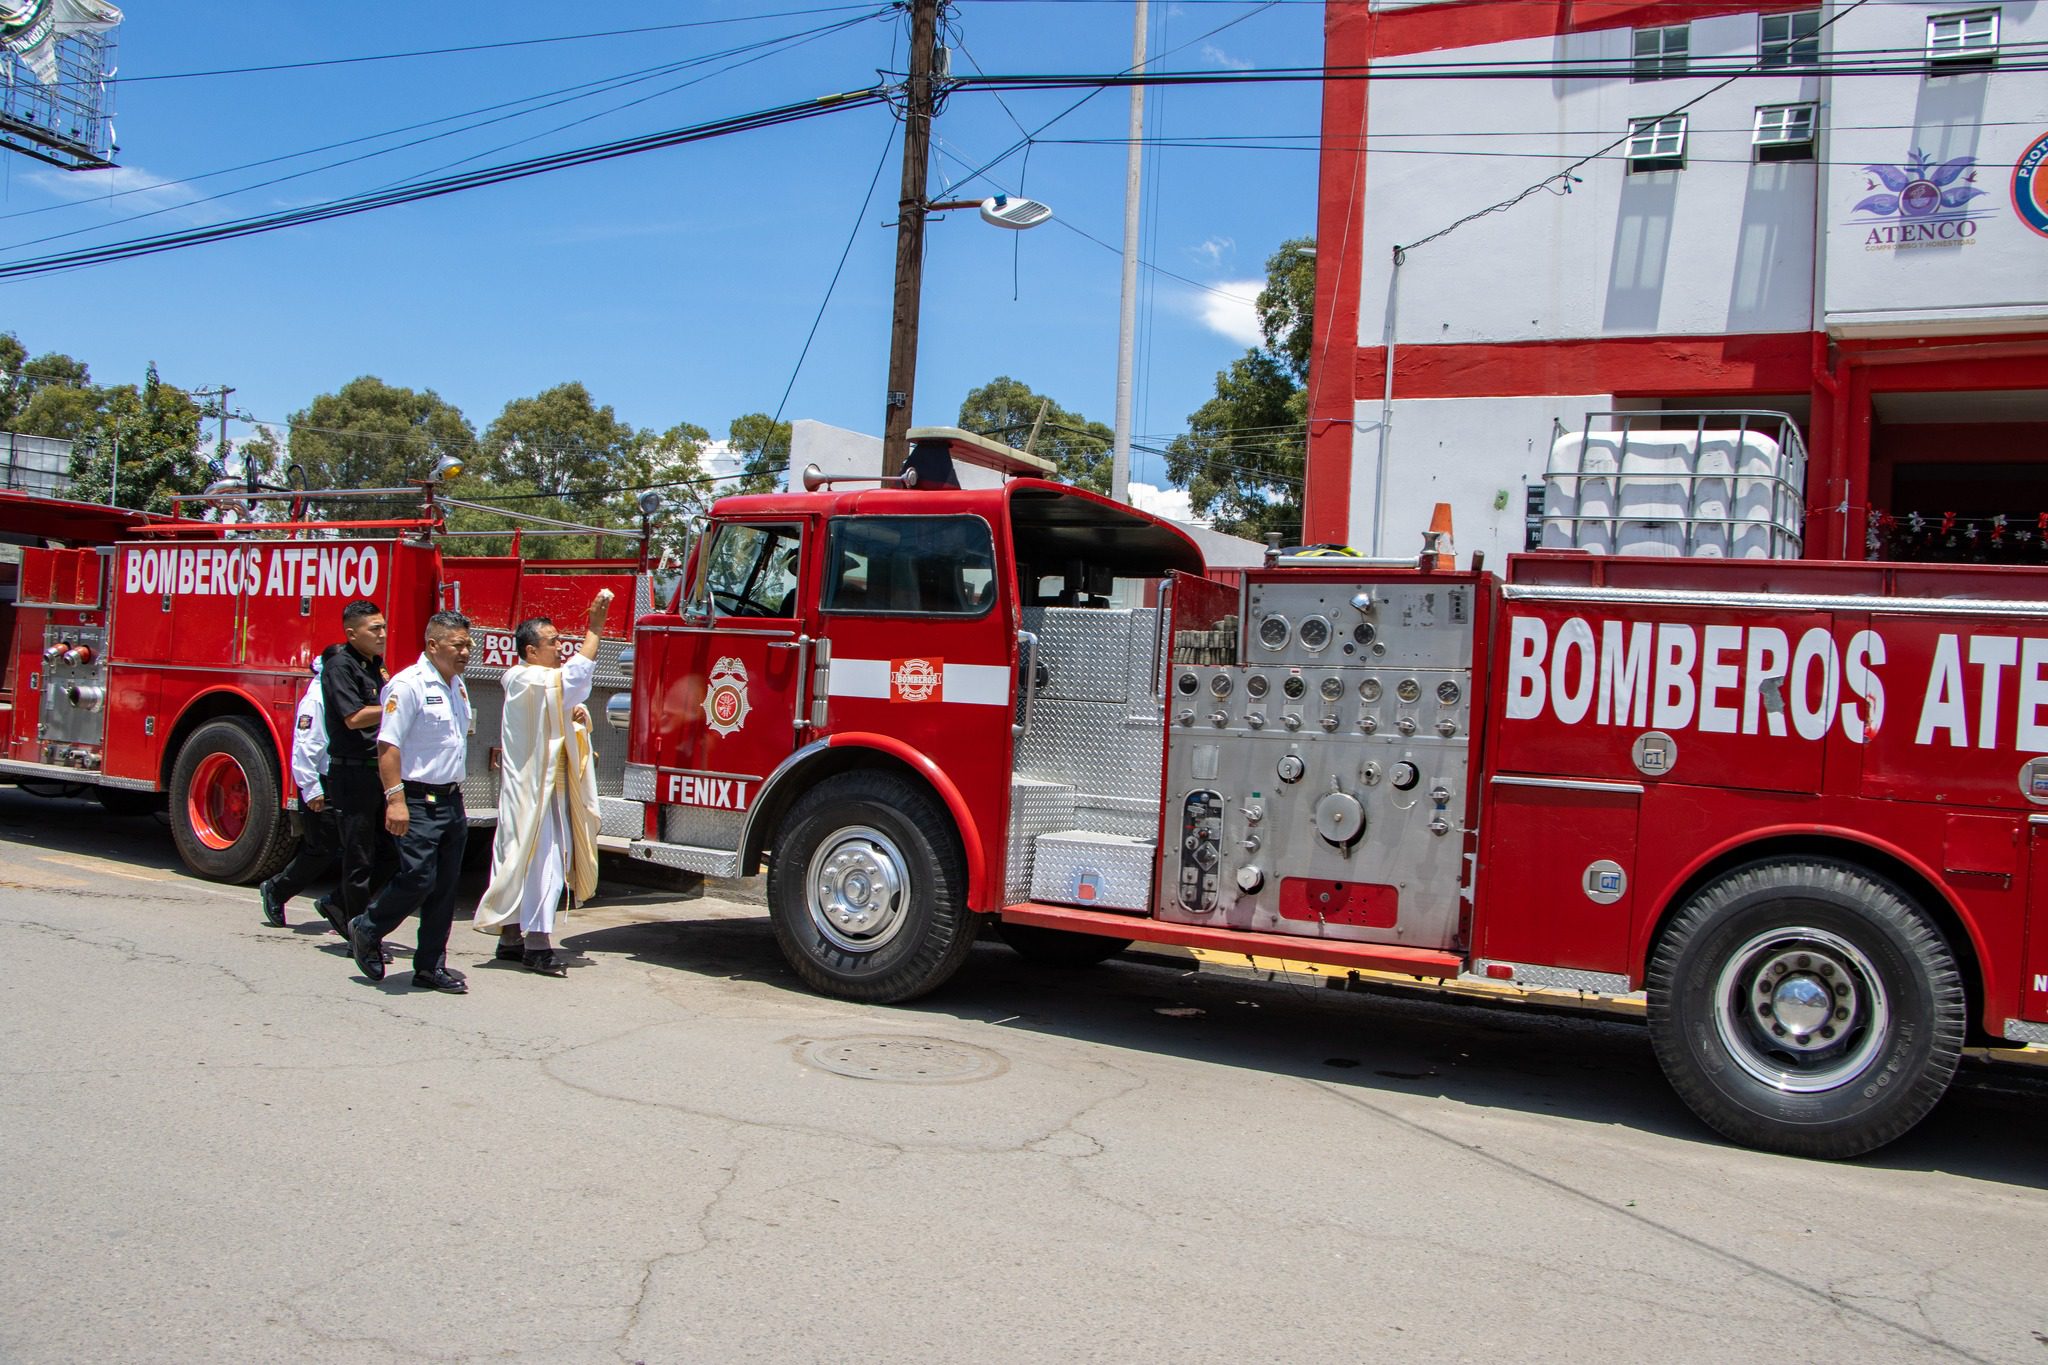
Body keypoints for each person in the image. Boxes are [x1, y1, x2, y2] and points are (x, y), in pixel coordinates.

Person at [472, 590, 610, 977]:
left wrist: (576, 721)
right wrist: (594, 630)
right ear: (531, 651)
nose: (560, 648)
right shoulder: (524, 679)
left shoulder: (541, 682)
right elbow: (573, 679)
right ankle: (537, 945)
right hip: (531, 793)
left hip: (546, 790)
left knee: (529, 860)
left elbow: (565, 703)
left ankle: (511, 939)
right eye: (552, 642)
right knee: (540, 864)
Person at [347, 610, 474, 993]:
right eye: (458, 645)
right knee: (419, 878)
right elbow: (388, 746)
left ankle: (430, 966)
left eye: (468, 644)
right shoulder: (408, 685)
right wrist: (395, 801)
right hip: (418, 800)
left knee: (445, 887)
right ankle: (367, 927)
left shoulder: (457, 684)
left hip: (451, 799)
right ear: (433, 645)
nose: (466, 651)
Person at [323, 600, 398, 939]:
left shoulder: (376, 665)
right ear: (352, 633)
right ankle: (357, 930)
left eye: (383, 627)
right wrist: (395, 707)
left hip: (377, 770)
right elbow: (353, 718)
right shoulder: (340, 666)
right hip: (352, 772)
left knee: (391, 853)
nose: (382, 634)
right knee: (359, 859)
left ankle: (338, 904)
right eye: (374, 629)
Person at [258, 656, 344, 933]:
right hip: (322, 780)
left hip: (347, 778)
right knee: (322, 848)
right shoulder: (318, 697)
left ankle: (341, 907)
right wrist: (311, 789)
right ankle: (277, 889)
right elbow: (306, 748)